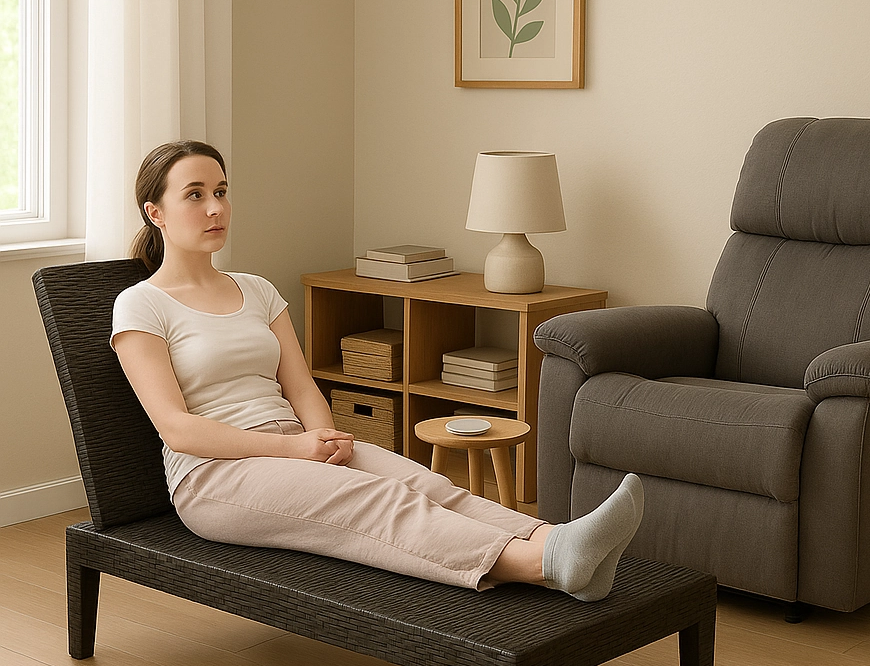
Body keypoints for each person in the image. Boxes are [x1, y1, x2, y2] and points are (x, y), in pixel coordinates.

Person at [110, 141, 643, 600]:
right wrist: (294, 450)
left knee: (428, 484)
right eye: (195, 194)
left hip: (299, 445)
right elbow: (176, 428)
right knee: (380, 499)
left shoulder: (256, 289)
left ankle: (559, 544)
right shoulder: (142, 305)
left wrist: (323, 435)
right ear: (155, 213)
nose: (214, 208)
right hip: (213, 475)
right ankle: (545, 565)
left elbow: (300, 386)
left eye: (221, 191)